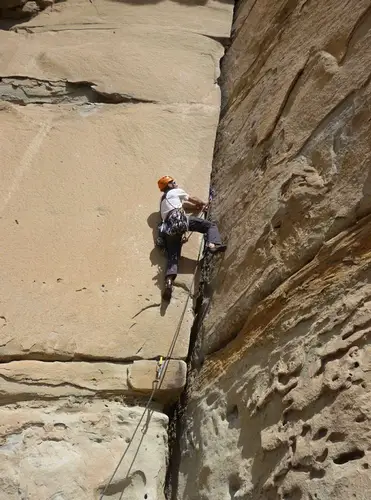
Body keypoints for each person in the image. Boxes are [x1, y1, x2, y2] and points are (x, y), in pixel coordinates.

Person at [157, 175, 227, 301]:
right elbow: (192, 199)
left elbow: (182, 206)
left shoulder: (163, 201)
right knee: (209, 226)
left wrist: (194, 208)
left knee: (173, 257)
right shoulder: (175, 191)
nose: (175, 183)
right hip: (179, 222)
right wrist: (203, 204)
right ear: (169, 185)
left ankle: (168, 282)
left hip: (168, 230)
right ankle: (212, 245)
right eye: (173, 182)